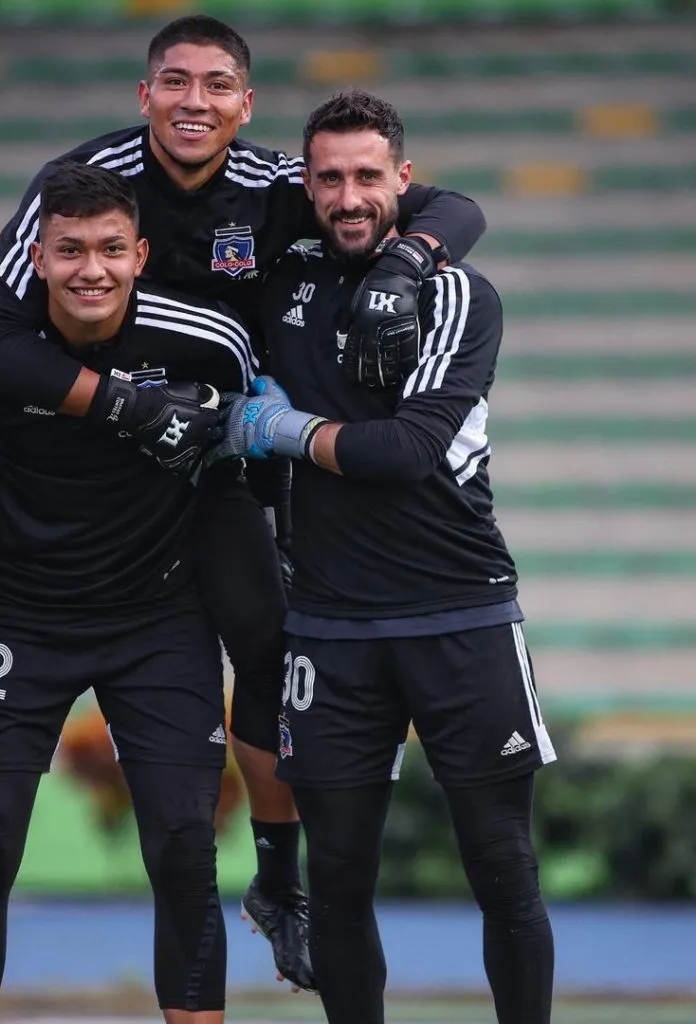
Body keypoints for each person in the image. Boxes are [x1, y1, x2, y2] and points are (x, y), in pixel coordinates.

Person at [0, 15, 487, 990]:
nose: (193, 102)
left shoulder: (274, 196)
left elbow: (447, 204)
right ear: (143, 96)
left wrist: (408, 266)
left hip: (186, 460)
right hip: (35, 438)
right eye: (174, 83)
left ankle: (277, 882)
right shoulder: (76, 180)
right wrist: (116, 400)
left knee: (263, 627)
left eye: (215, 86)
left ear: (244, 105)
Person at [210, 88, 557, 1024]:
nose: (350, 195)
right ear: (306, 185)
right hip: (328, 626)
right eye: (330, 178)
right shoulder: (277, 280)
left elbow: (404, 452)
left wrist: (280, 428)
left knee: (503, 871)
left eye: (370, 175)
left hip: (464, 612)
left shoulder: (456, 293)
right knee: (341, 882)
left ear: (405, 179)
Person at [0, 162, 252, 1023]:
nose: (92, 269)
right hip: (19, 616)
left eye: (111, 249)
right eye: (69, 250)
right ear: (36, 258)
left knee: (186, 848)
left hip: (160, 619)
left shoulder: (209, 341)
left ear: (141, 254)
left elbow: (247, 468)